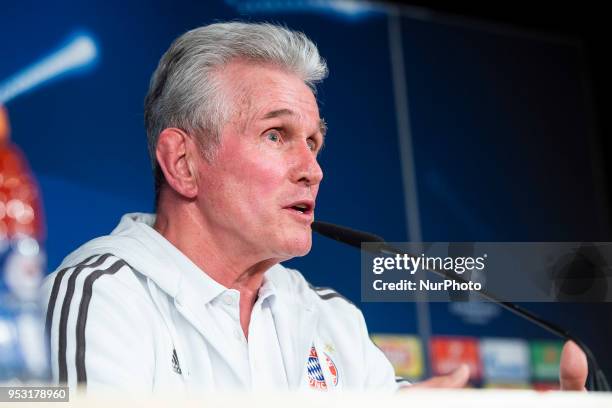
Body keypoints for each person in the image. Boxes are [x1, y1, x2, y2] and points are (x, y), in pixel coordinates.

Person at [41, 22, 587, 394]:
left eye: (314, 143)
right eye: (276, 135)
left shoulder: (333, 320)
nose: (313, 169)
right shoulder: (101, 297)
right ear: (183, 162)